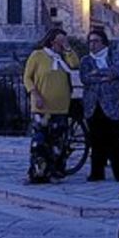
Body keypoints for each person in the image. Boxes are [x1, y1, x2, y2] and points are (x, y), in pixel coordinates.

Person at [22, 27, 79, 183]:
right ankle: (38, 173)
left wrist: (67, 49)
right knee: (40, 142)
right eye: (61, 40)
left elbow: (75, 64)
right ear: (52, 40)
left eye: (64, 40)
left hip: (61, 106)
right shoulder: (38, 56)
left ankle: (55, 172)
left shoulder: (64, 57)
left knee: (58, 143)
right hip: (41, 106)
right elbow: (27, 77)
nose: (63, 43)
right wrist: (35, 94)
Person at [80, 28, 119, 183]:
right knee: (96, 140)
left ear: (103, 42)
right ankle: (97, 172)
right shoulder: (85, 60)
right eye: (90, 41)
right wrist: (104, 76)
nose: (92, 45)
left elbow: (117, 73)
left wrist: (97, 73)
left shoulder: (113, 56)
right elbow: (85, 78)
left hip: (110, 104)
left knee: (114, 140)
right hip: (92, 105)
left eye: (96, 41)